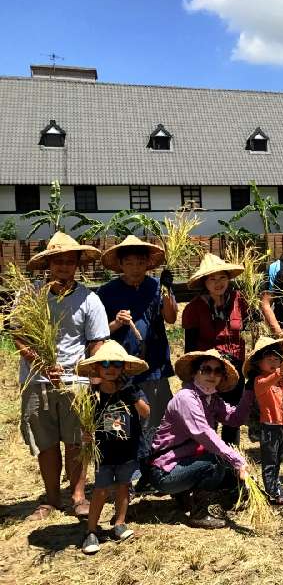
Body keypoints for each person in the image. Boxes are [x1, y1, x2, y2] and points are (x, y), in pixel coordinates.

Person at [17, 232, 109, 521]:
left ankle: (78, 496)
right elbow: (19, 336)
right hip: (36, 381)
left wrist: (91, 375)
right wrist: (42, 364)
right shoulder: (31, 295)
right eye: (58, 261)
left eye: (69, 262)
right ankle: (52, 498)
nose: (63, 267)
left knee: (77, 442)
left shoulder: (89, 299)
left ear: (77, 265)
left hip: (75, 381)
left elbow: (97, 342)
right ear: (48, 264)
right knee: (46, 443)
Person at [98, 236, 177, 471]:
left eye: (140, 262)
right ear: (121, 265)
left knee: (157, 416)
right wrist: (117, 323)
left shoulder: (156, 286)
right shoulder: (107, 292)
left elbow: (171, 318)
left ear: (147, 264)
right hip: (119, 367)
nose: (135, 268)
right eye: (129, 263)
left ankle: (154, 465)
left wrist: (167, 291)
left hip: (154, 365)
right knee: (120, 417)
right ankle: (121, 470)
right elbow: (98, 333)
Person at [149, 349, 253, 529]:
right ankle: (200, 513)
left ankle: (184, 495)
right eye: (206, 369)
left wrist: (250, 390)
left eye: (217, 371)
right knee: (216, 462)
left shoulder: (211, 399)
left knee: (226, 473)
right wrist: (237, 460)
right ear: (195, 372)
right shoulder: (186, 398)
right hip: (165, 471)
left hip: (184, 464)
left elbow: (235, 419)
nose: (212, 375)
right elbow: (204, 434)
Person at [75, 341, 150, 555]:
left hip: (127, 450)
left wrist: (131, 394)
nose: (110, 368)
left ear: (123, 368)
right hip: (105, 452)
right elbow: (84, 423)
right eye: (105, 363)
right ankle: (91, 531)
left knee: (124, 486)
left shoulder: (132, 390)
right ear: (97, 368)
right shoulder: (93, 394)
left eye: (116, 364)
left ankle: (119, 522)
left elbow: (145, 413)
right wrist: (86, 435)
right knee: (101, 490)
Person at [182, 254, 249, 446]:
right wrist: (192, 377)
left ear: (229, 278)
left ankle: (231, 461)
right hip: (209, 372)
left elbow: (252, 327)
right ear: (205, 282)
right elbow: (190, 346)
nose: (218, 283)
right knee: (207, 417)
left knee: (232, 416)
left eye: (222, 277)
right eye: (212, 278)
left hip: (235, 370)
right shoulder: (194, 308)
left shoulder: (240, 300)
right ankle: (209, 459)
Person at [244, 336, 283, 503]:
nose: (274, 361)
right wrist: (280, 370)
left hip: (281, 426)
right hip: (269, 428)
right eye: (268, 358)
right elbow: (269, 381)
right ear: (258, 363)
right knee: (269, 461)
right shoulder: (260, 380)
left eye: (277, 358)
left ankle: (276, 485)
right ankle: (272, 493)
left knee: (277, 460)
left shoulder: (280, 381)